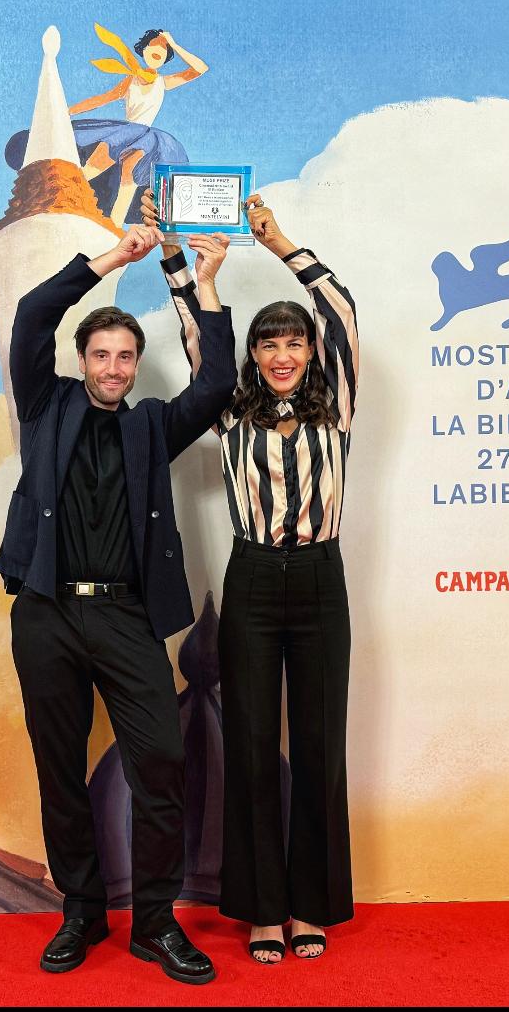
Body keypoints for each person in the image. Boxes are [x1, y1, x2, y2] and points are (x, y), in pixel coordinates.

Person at [0, 224, 236, 983]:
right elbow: (34, 312)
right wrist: (114, 259)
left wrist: (206, 284)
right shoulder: (45, 404)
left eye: (125, 356)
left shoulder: (151, 425)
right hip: (47, 611)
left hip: (127, 616)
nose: (113, 367)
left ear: (135, 365)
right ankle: (82, 909)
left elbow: (217, 386)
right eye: (100, 354)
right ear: (82, 360)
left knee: (160, 760)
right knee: (59, 768)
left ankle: (155, 922)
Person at [143, 188, 358, 963]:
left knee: (320, 746)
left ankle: (310, 906)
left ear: (309, 352)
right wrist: (180, 259)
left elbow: (341, 311)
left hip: (321, 583)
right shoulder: (230, 410)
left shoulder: (337, 407)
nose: (281, 354)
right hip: (254, 585)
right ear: (255, 356)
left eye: (293, 342)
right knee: (252, 745)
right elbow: (196, 335)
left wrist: (277, 242)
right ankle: (264, 910)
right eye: (269, 344)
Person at [6, 24, 207, 227]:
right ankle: (60, 196)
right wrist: (66, 111)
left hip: (147, 137)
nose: (159, 50)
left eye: (164, 48)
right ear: (144, 49)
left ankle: (115, 226)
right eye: (154, 44)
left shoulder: (163, 82)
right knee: (98, 161)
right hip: (126, 131)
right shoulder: (131, 80)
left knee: (130, 173)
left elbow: (200, 69)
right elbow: (103, 99)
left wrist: (173, 43)